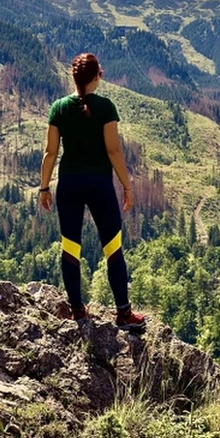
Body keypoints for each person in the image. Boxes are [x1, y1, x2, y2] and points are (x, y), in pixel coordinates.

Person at [39, 52, 145, 332]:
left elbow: (50, 152)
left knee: (70, 247)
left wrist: (44, 187)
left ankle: (77, 312)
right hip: (99, 184)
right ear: (95, 77)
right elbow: (113, 150)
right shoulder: (106, 107)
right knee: (113, 247)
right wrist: (127, 185)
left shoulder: (59, 108)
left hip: (69, 184)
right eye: (100, 73)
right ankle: (123, 314)